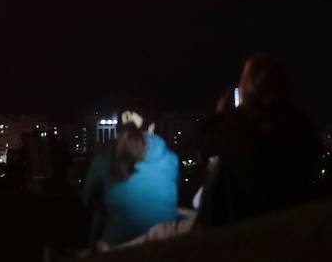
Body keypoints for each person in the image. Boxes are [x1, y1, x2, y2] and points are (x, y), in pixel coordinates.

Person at [197, 54, 320, 228]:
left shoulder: (238, 126)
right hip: (287, 213)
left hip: (238, 220)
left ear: (251, 87)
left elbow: (204, 141)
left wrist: (221, 115)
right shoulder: (301, 125)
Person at [82, 106, 179, 246]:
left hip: (119, 244)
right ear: (151, 127)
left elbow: (87, 199)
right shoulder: (171, 159)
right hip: (167, 241)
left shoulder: (103, 159)